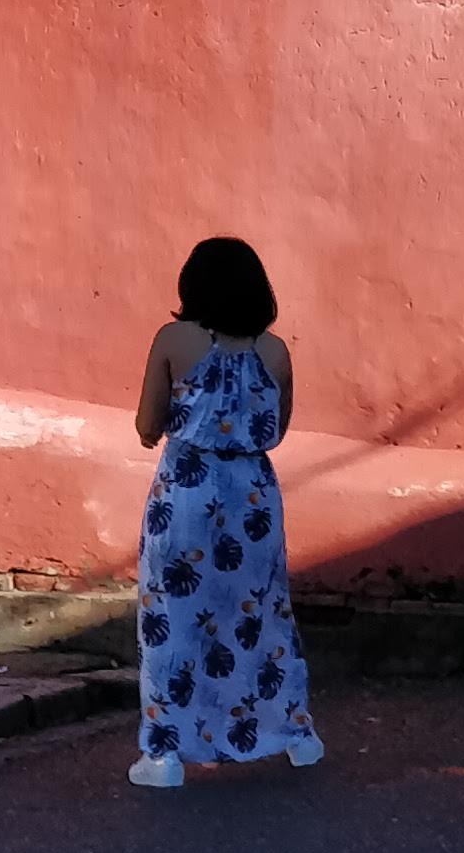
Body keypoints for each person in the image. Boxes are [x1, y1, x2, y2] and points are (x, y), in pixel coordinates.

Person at [130, 235, 324, 790]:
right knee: (262, 614)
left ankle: (165, 755)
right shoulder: (276, 352)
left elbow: (148, 424)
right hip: (253, 494)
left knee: (172, 619)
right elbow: (277, 430)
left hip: (187, 490)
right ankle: (295, 735)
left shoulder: (174, 340)